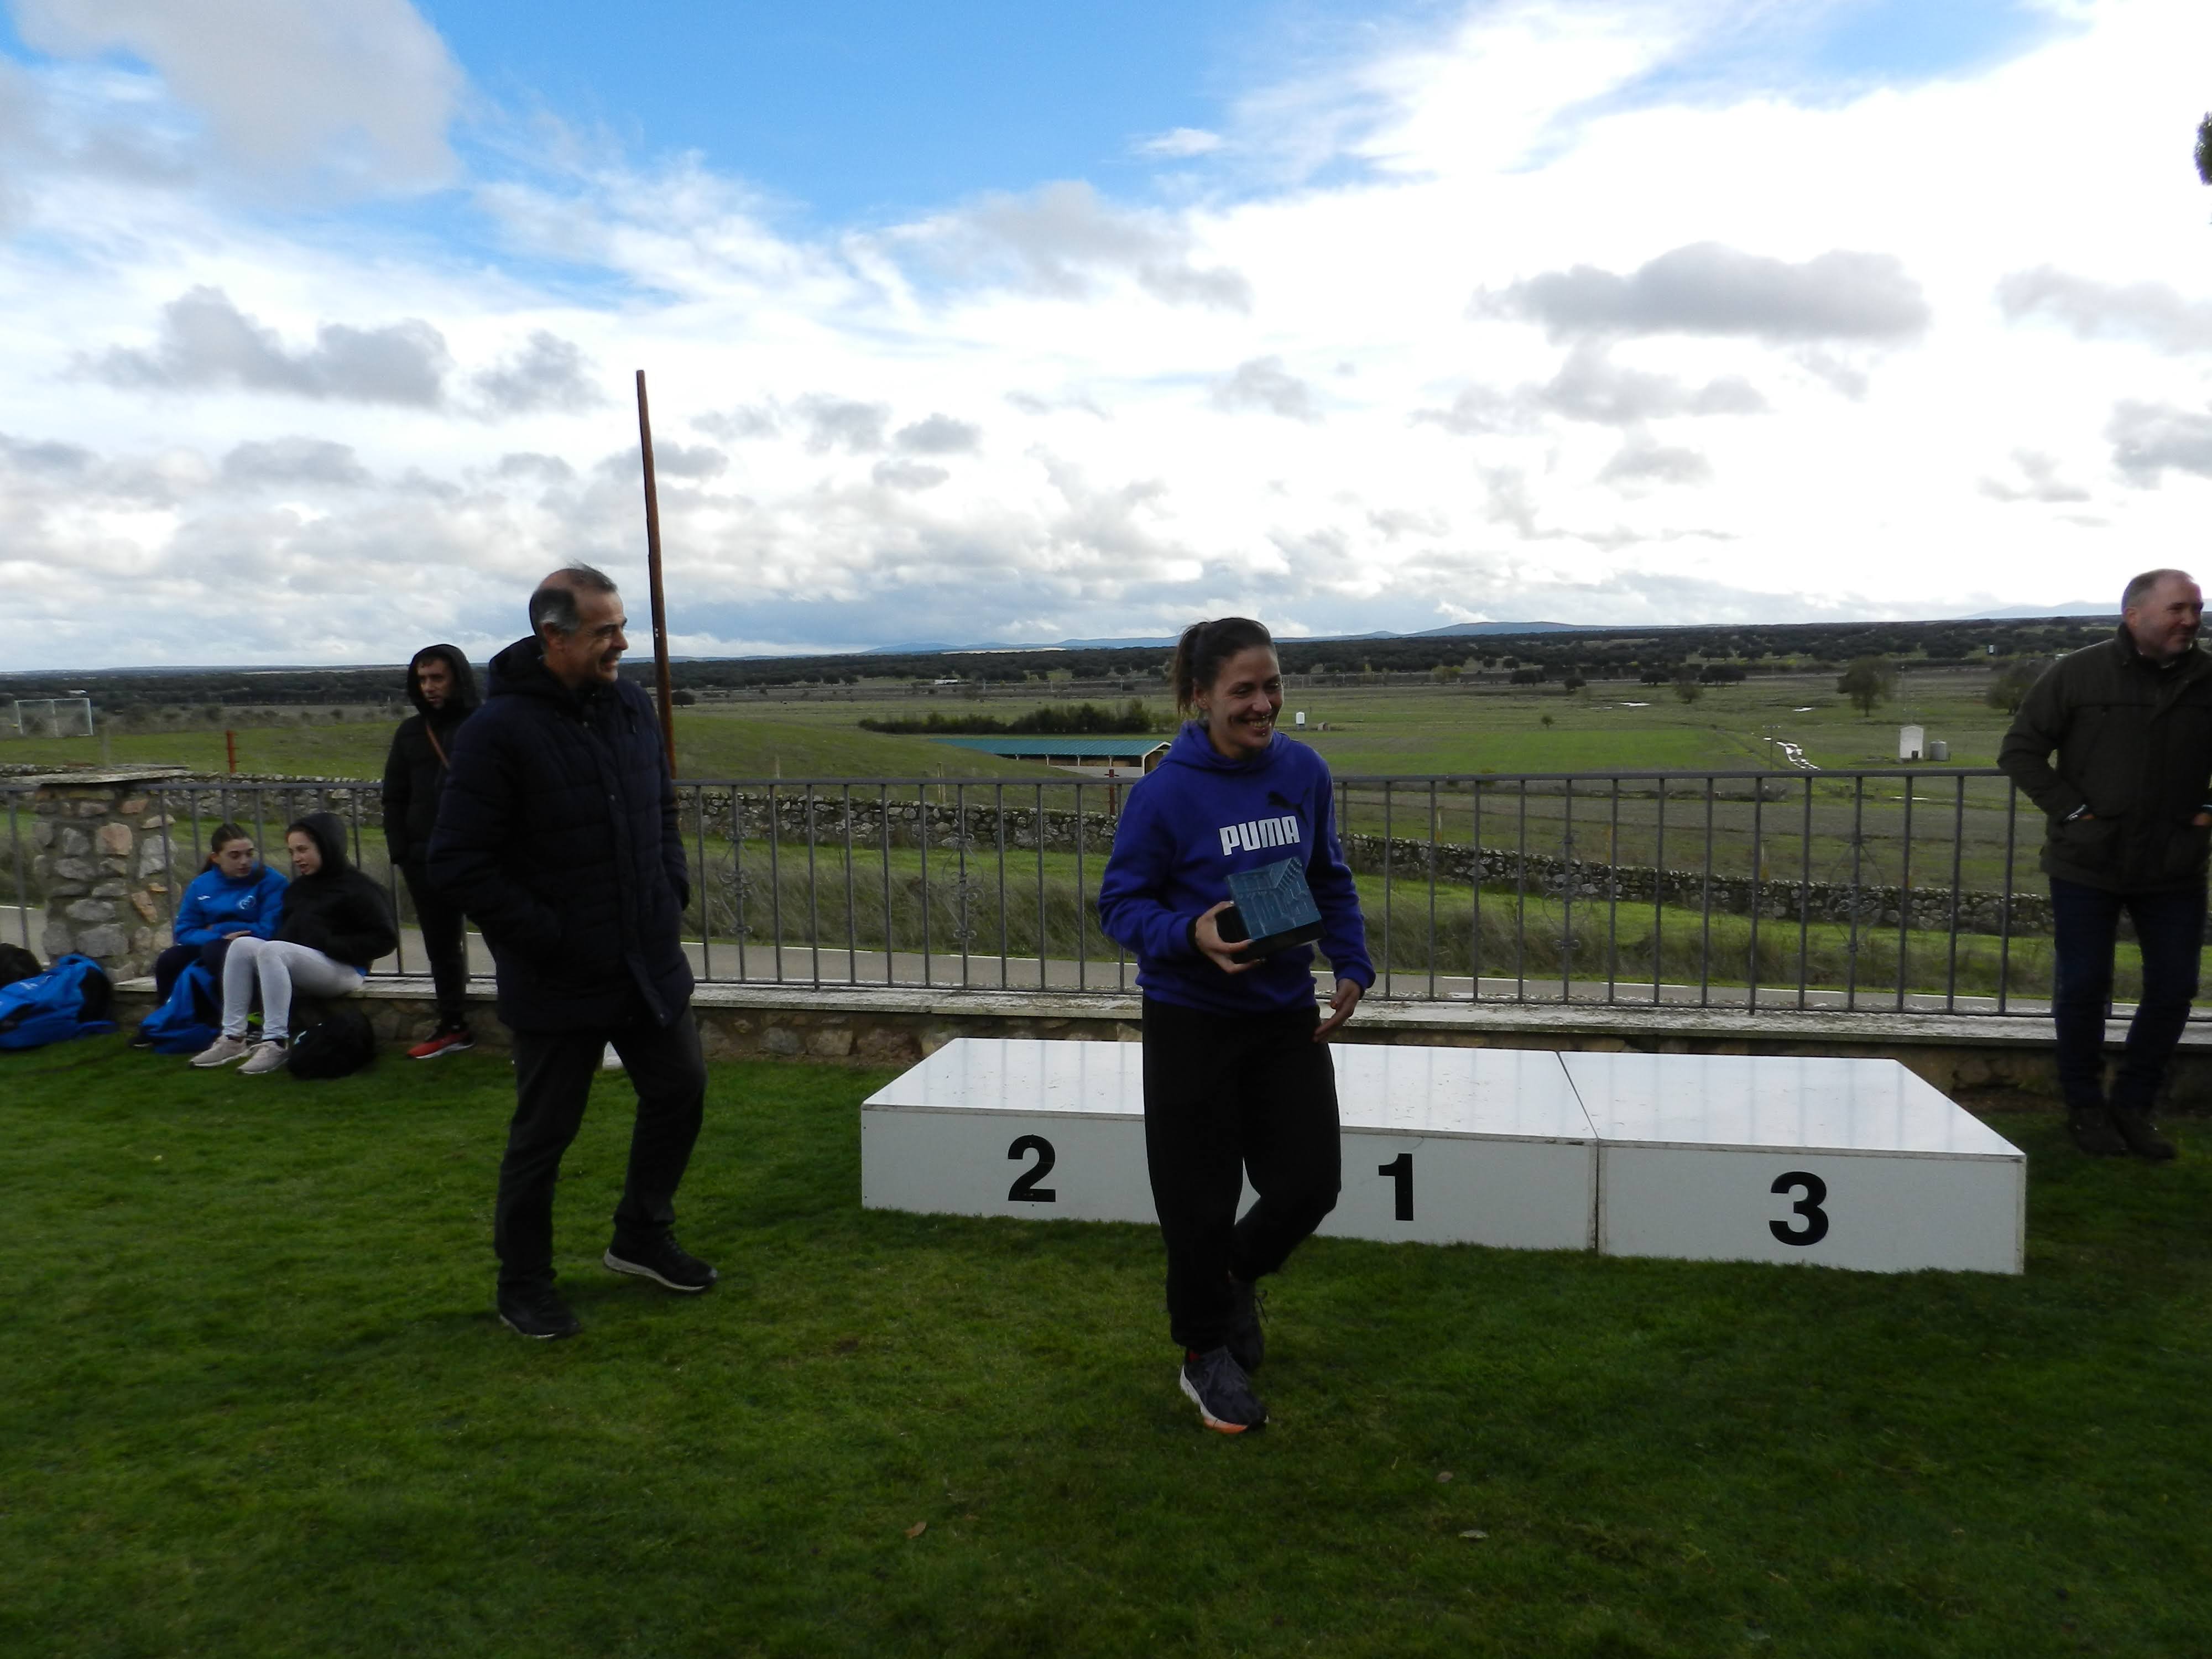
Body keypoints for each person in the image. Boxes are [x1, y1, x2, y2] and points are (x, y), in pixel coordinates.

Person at [1097, 616, 1374, 1433]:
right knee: (1198, 1205)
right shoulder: (1165, 793)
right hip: (1192, 1023)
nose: (1264, 706)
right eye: (1244, 691)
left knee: (1308, 1185)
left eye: (1274, 686)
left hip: (1284, 1017)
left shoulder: (1304, 770)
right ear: (1200, 698)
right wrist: (1192, 935)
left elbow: (1329, 874)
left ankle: (1234, 1279)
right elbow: (1120, 905)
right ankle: (1202, 1355)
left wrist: (1352, 964)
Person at [428, 562, 710, 1341]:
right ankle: (524, 1285)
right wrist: (549, 935)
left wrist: (668, 888)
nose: (622, 643)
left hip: (644, 959)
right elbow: (457, 862)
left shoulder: (627, 706)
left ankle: (640, 1237)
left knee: (680, 1091)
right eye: (605, 631)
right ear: (552, 637)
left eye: (622, 625)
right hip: (558, 977)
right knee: (544, 1136)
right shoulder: (497, 732)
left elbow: (659, 807)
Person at [1999, 567, 2212, 1161]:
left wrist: (2206, 812)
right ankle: (2085, 1109)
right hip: (2087, 864)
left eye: (2195, 609)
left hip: (2174, 865)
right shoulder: (2077, 673)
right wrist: (2075, 815)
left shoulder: (2207, 678)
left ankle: (2134, 1108)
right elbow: (2019, 751)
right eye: (2177, 609)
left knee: (2173, 989)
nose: (2190, 620)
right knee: (2083, 989)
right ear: (2134, 615)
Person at [189, 812, 398, 1075]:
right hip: (305, 966)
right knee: (242, 946)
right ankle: (233, 1038)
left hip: (345, 970)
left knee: (273, 948)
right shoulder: (300, 889)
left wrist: (330, 942)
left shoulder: (361, 889)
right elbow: (289, 933)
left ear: (326, 845)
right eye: (292, 852)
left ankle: (275, 1041)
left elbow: (384, 940)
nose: (297, 858)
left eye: (303, 850)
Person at [382, 644, 481, 1059]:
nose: (429, 688)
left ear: (457, 678)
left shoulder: (483, 724)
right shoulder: (409, 732)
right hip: (424, 858)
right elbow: (395, 796)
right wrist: (401, 851)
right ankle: (453, 1024)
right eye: (422, 680)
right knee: (441, 947)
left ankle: (526, 1025)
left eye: (437, 678)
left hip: (478, 857)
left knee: (509, 940)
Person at [144, 822, 286, 1002]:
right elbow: (184, 931)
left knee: (217, 953)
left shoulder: (273, 882)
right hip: (214, 943)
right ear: (216, 858)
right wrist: (219, 937)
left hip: (255, 947)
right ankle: (169, 1018)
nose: (244, 861)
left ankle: (241, 1018)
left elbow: (269, 929)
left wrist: (218, 929)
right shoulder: (201, 885)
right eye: (235, 856)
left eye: (249, 854)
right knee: (170, 959)